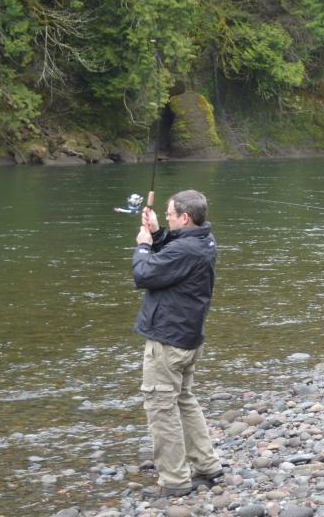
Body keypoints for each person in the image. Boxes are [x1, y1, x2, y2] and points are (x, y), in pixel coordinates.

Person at [133, 190, 223, 497]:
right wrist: (158, 232)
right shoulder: (202, 240)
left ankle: (174, 482)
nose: (168, 218)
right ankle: (207, 466)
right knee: (184, 399)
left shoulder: (184, 250)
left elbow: (144, 274)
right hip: (188, 338)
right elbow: (173, 253)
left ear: (185, 218)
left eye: (170, 215)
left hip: (168, 341)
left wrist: (144, 247)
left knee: (161, 407)